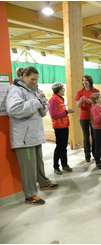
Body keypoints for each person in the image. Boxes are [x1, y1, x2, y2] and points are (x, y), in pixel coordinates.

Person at [6, 67, 58, 205]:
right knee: (28, 168)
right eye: (32, 79)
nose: (35, 82)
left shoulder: (35, 90)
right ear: (24, 76)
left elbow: (43, 111)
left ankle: (43, 182)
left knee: (38, 163)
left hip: (35, 134)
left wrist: (42, 103)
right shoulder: (16, 90)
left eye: (36, 79)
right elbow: (14, 110)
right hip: (24, 138)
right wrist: (36, 102)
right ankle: (30, 195)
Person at [48, 83, 74, 175]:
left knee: (64, 147)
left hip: (64, 125)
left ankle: (65, 165)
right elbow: (53, 115)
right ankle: (56, 167)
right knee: (59, 147)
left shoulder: (60, 99)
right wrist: (66, 112)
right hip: (59, 127)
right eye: (63, 89)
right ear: (58, 90)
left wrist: (65, 112)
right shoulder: (53, 100)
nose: (64, 90)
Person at [75, 75, 99, 162]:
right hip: (84, 117)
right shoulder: (80, 92)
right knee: (86, 136)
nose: (84, 82)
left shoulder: (95, 91)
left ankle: (95, 154)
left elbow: (98, 103)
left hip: (94, 116)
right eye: (83, 80)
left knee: (94, 136)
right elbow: (77, 105)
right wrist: (81, 100)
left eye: (86, 80)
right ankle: (87, 154)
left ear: (90, 81)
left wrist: (88, 100)